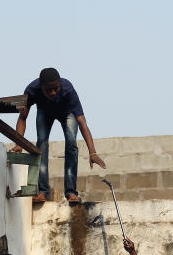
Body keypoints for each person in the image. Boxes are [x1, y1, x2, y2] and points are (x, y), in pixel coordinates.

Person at [11, 67, 106, 204]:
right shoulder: (32, 90)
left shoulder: (68, 89)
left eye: (56, 88)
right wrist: (18, 144)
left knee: (71, 143)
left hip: (67, 113)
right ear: (40, 86)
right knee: (41, 144)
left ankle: (71, 192)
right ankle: (42, 191)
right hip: (44, 111)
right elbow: (22, 118)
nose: (53, 92)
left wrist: (93, 153)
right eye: (48, 89)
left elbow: (82, 122)